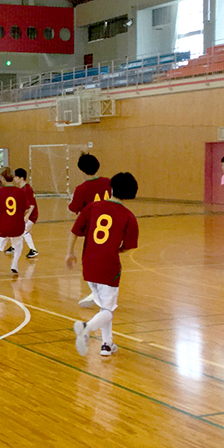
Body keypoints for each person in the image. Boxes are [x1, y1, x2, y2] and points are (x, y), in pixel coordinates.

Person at [67, 172, 139, 357]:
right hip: (108, 267)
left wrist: (70, 253)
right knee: (108, 310)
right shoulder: (128, 216)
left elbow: (74, 230)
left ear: (111, 187)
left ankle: (107, 344)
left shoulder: (93, 207)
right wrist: (116, 249)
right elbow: (128, 246)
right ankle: (86, 328)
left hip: (89, 264)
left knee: (104, 306)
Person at [69, 153, 112, 308]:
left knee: (89, 264)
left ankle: (98, 294)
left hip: (94, 230)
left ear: (81, 169)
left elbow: (73, 208)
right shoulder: (108, 182)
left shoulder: (81, 189)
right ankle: (100, 293)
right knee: (105, 261)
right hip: (111, 226)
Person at [0, 167, 30, 277]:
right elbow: (26, 209)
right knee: (18, 244)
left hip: (3, 226)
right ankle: (14, 264)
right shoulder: (21, 192)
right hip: (17, 226)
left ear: (3, 178)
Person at [4, 168, 39, 258]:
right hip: (23, 215)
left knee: (23, 231)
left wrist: (27, 216)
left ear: (21, 178)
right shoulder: (21, 189)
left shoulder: (27, 189)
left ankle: (33, 250)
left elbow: (32, 205)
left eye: (16, 177)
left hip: (31, 215)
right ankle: (14, 247)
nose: (14, 179)